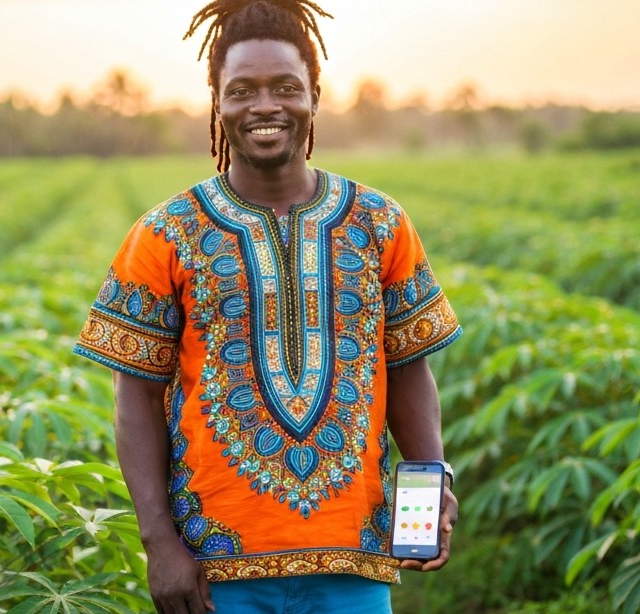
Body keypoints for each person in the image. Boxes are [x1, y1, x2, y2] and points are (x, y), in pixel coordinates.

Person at [73, 1, 462, 612]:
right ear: (217, 102)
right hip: (214, 566)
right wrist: (159, 544)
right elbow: (137, 397)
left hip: (353, 557)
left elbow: (410, 368)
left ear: (313, 97)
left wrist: (431, 482)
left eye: (285, 87)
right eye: (242, 90)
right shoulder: (165, 232)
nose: (264, 107)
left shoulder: (382, 222)